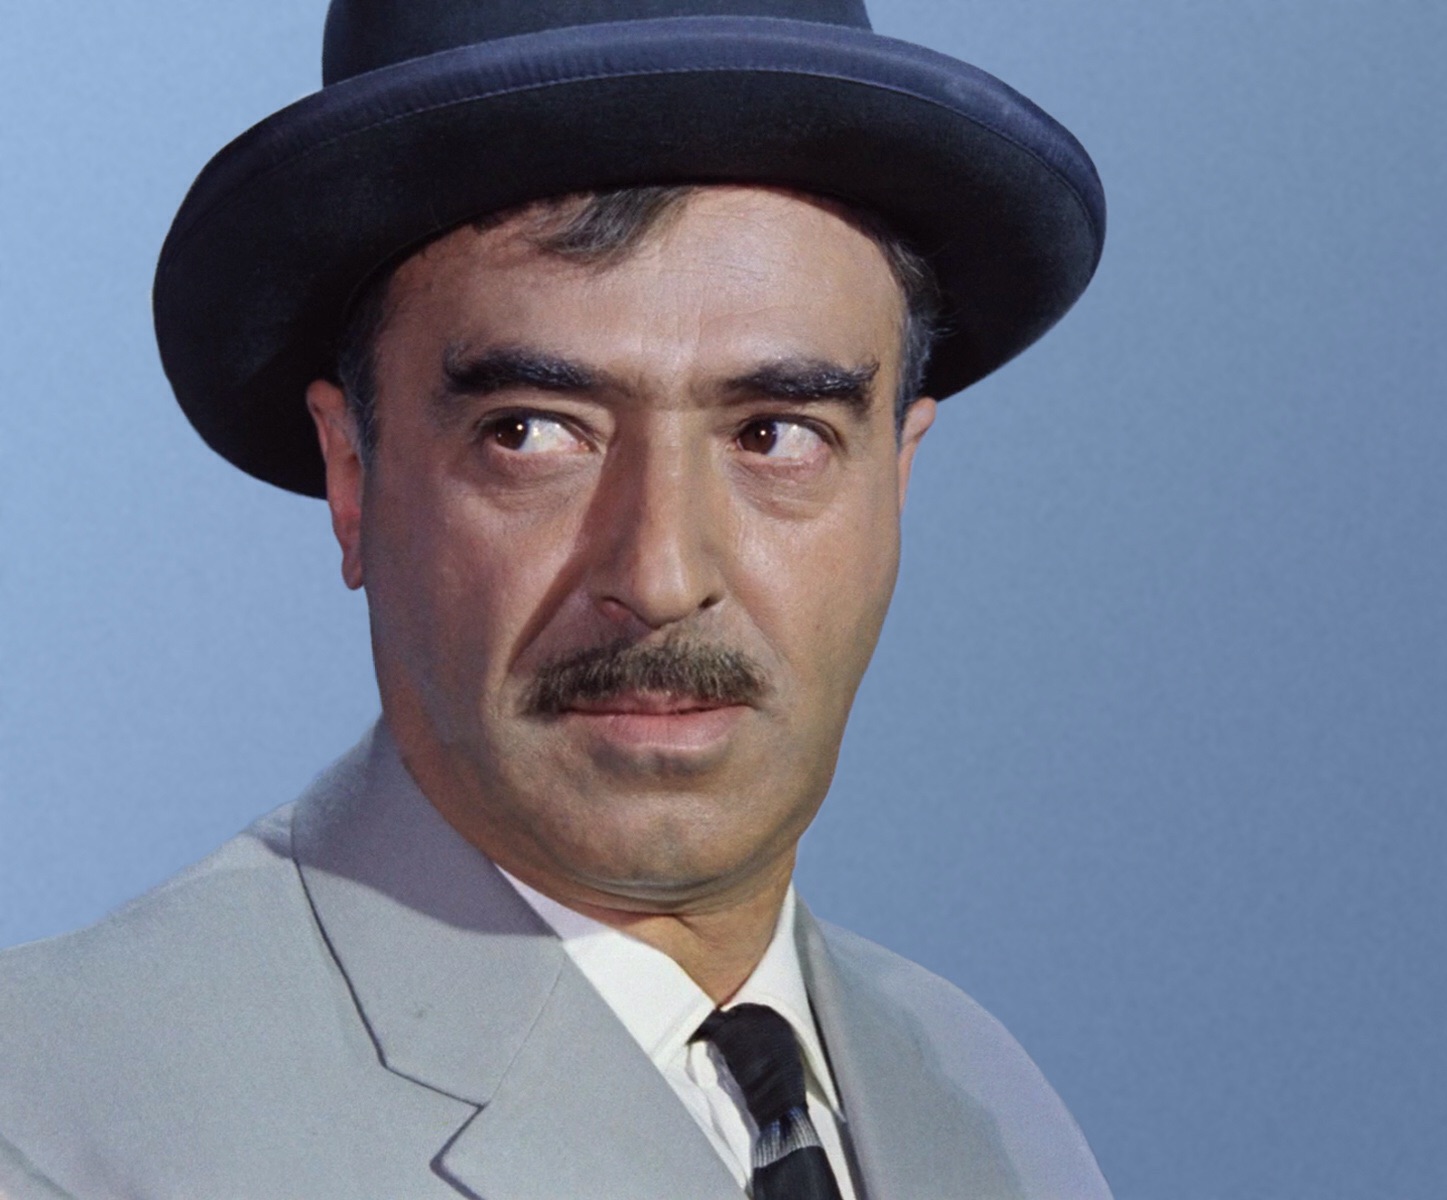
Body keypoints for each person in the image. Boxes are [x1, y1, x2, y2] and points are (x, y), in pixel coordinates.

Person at [0, 1, 1107, 1196]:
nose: (662, 577)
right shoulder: (56, 1124)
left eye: (775, 433)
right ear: (354, 475)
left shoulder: (989, 1107)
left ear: (897, 478)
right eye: (531, 432)